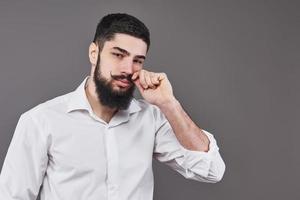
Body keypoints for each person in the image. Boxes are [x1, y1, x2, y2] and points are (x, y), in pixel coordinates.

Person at [0, 13, 225, 200]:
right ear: (94, 53)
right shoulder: (41, 121)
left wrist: (169, 104)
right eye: (118, 55)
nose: (128, 68)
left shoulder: (151, 118)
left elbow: (211, 170)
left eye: (138, 60)